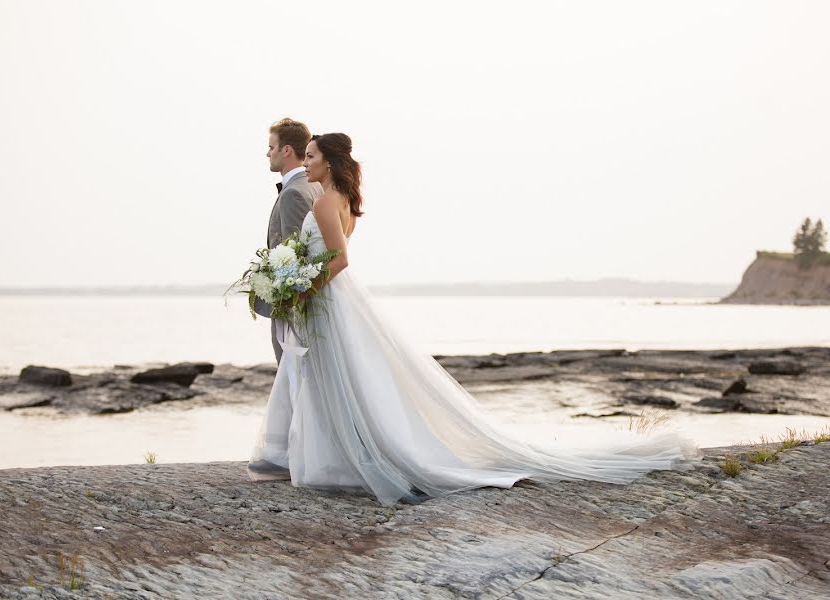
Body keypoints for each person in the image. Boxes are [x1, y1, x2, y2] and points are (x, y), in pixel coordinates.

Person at [247, 132, 701, 506]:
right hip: (338, 303)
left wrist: (301, 288)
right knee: (341, 381)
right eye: (304, 157)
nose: (306, 164)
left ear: (329, 162)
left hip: (329, 300)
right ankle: (340, 457)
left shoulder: (326, 203)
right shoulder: (342, 200)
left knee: (333, 380)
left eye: (311, 157)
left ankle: (344, 460)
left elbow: (338, 260)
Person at [253, 118, 323, 365]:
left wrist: (282, 297)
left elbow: (299, 255)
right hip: (306, 307)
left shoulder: (294, 192)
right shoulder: (313, 186)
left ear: (287, 150)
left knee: (294, 380)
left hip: (293, 311)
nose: (267, 153)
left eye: (271, 147)